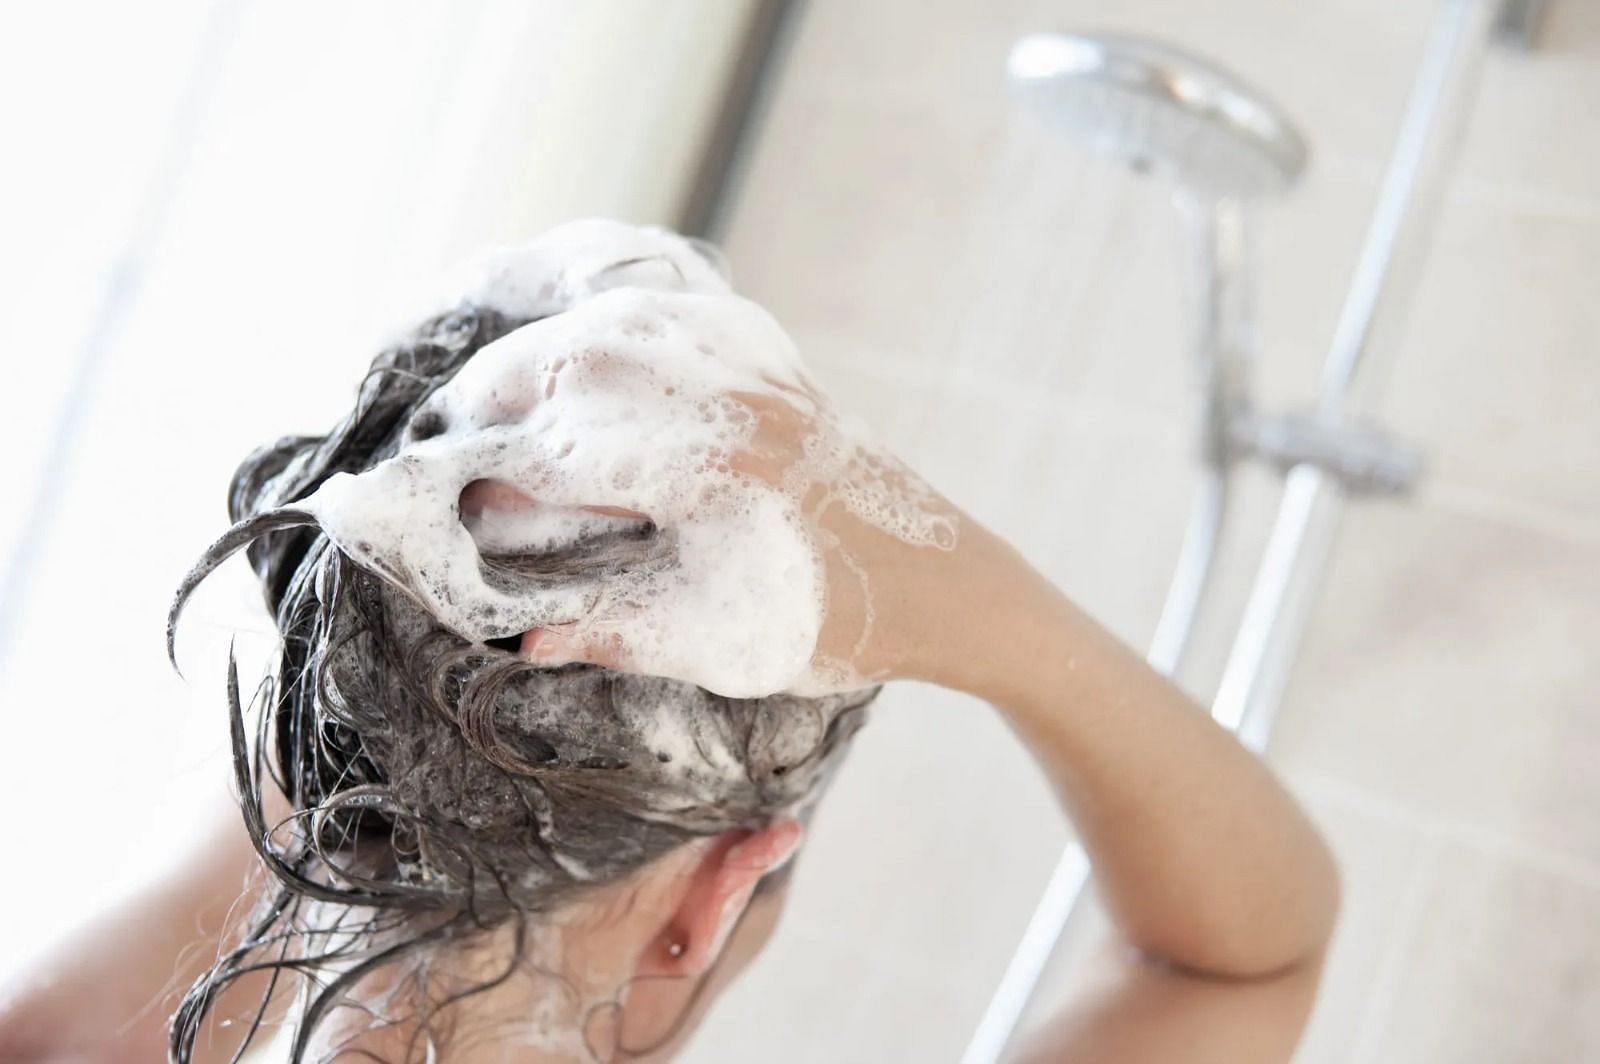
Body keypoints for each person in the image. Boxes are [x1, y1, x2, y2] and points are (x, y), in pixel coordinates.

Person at [0, 222, 1338, 1063]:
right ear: (707, 909)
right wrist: (984, 604)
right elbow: (1235, 958)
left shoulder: (57, 1025)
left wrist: (387, 626)